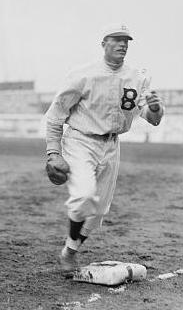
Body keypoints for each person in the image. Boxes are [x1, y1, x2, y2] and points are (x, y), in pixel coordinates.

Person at [45, 24, 164, 272]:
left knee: (98, 211)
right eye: (116, 40)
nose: (123, 45)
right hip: (81, 140)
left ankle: (70, 251)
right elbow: (55, 115)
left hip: (111, 144)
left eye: (126, 41)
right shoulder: (82, 75)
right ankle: (69, 253)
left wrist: (155, 108)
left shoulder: (137, 77)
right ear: (103, 44)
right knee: (84, 195)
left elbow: (152, 118)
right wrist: (53, 152)